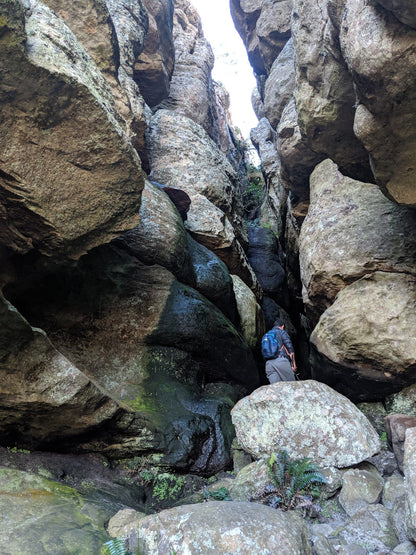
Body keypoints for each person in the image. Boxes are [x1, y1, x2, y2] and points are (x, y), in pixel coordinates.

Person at [265, 318, 297, 384]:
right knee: (292, 385)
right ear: (283, 326)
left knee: (276, 388)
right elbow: (290, 348)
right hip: (280, 361)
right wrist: (294, 365)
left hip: (269, 364)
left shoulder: (267, 335)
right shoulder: (282, 332)